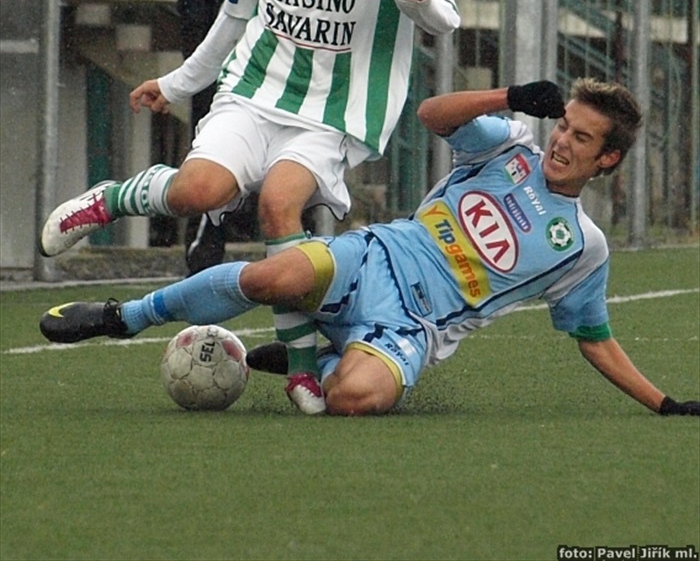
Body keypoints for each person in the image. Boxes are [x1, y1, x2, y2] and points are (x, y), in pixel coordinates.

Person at [38, 0, 461, 415]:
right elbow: (236, 15)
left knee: (277, 204)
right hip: (257, 91)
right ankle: (107, 200)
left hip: (336, 114)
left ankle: (297, 368)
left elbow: (445, 20)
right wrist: (179, 83)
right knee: (195, 194)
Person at [40, 78, 699, 418]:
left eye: (582, 139)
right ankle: (122, 317)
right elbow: (432, 116)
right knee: (275, 277)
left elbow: (595, 336)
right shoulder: (507, 146)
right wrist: (509, 97)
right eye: (564, 125)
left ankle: (321, 356)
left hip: (413, 326)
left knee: (355, 401)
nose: (561, 141)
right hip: (379, 255)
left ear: (607, 159)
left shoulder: (581, 247)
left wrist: (662, 401)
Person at [176, 0, 288, 275]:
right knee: (210, 168)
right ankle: (202, 261)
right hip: (227, 77)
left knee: (288, 172)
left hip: (290, 79)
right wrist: (205, 65)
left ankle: (291, 267)